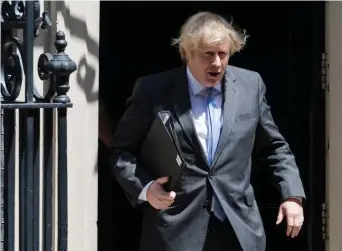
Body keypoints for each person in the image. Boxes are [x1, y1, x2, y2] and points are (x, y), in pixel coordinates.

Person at [110, 11, 305, 251]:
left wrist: (292, 196)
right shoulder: (153, 90)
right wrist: (147, 188)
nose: (217, 63)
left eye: (223, 54)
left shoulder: (250, 85)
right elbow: (122, 153)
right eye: (208, 55)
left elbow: (275, 148)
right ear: (187, 53)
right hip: (176, 230)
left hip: (237, 228)